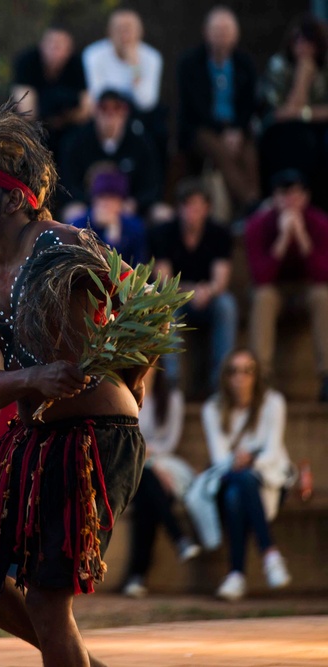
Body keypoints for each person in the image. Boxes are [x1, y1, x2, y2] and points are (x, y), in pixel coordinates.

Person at [0, 103, 148, 667]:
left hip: (97, 437)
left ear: (15, 197)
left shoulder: (64, 246)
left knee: (51, 605)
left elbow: (148, 310)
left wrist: (133, 380)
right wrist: (35, 377)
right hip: (32, 443)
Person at [203, 349, 292, 601]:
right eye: (233, 371)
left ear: (257, 376)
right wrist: (238, 461)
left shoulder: (273, 402)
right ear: (225, 377)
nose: (240, 377)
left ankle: (236, 575)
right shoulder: (212, 408)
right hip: (229, 476)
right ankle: (270, 555)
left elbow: (273, 452)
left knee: (237, 493)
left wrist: (250, 459)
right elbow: (221, 459)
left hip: (270, 478)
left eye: (247, 370)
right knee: (237, 486)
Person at [244, 169, 328, 401]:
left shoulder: (320, 223)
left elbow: (322, 274)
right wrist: (282, 239)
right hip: (275, 289)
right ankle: (261, 378)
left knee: (323, 296)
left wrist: (301, 237)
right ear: (274, 198)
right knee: (263, 297)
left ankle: (327, 376)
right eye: (284, 194)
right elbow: (261, 277)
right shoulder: (258, 225)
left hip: (307, 288)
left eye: (296, 194)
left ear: (306, 197)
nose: (290, 201)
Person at [121, 366, 200, 599]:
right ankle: (179, 537)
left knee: (148, 493)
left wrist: (150, 459)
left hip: (160, 464)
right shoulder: (125, 394)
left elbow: (169, 441)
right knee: (149, 481)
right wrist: (144, 457)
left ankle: (137, 576)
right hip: (131, 465)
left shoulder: (173, 398)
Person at [151, 179, 236, 393]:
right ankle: (173, 381)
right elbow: (164, 280)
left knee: (227, 305)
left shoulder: (219, 234)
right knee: (165, 303)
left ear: (208, 209)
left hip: (209, 298)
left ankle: (221, 381)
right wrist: (191, 291)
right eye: (189, 205)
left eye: (199, 206)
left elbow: (221, 281)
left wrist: (207, 291)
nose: (194, 212)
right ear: (179, 208)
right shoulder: (163, 233)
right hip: (178, 296)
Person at [177, 7, 260, 217]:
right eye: (217, 30)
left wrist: (238, 129)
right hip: (201, 128)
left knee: (249, 153)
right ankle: (253, 205)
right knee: (221, 152)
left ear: (236, 33)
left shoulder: (245, 63)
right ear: (206, 32)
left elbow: (250, 103)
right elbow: (193, 107)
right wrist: (223, 131)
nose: (222, 35)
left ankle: (248, 209)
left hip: (237, 127)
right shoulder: (189, 63)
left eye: (226, 30)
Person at [58, 89, 161, 220]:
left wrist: (135, 202)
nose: (110, 115)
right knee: (73, 213)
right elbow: (67, 184)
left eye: (116, 108)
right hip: (89, 208)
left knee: (162, 214)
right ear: (95, 112)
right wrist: (95, 204)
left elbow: (152, 185)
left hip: (128, 209)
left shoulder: (141, 142)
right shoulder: (77, 141)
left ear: (125, 112)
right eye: (104, 108)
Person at [81, 8, 166, 158]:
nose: (124, 34)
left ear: (140, 32)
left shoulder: (152, 57)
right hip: (103, 114)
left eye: (129, 29)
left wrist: (135, 68)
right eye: (119, 29)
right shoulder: (93, 54)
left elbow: (146, 102)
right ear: (109, 32)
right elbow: (98, 95)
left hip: (137, 117)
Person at [258, 14, 328, 194]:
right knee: (295, 139)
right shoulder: (279, 66)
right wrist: (303, 76)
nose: (302, 48)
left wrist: (303, 113)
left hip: (318, 126)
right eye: (297, 41)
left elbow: (296, 112)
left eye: (308, 42)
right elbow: (283, 112)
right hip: (284, 128)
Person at [12, 25, 90, 159]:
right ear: (42, 45)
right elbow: (26, 110)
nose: (54, 50)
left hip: (67, 131)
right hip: (33, 130)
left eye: (60, 46)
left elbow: (86, 109)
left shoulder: (77, 64)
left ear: (69, 49)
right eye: (51, 44)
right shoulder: (26, 61)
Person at [67, 171, 148, 267]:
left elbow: (138, 266)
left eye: (112, 198)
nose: (105, 203)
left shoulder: (135, 227)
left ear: (121, 202)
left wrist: (113, 234)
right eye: (101, 197)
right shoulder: (78, 224)